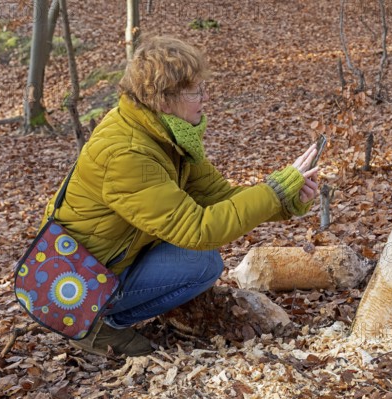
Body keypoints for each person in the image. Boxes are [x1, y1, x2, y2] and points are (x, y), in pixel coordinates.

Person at [41, 35, 319, 357]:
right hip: (80, 281)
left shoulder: (167, 133)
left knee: (200, 259)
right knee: (202, 262)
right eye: (195, 90)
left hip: (114, 259)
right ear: (163, 99)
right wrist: (273, 192)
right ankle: (98, 323)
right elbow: (200, 229)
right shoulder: (127, 154)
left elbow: (219, 196)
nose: (206, 97)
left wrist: (287, 200)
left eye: (204, 87)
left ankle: (108, 310)